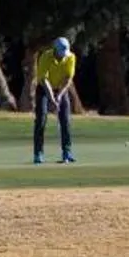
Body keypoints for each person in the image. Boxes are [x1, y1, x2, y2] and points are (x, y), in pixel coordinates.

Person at [33, 36, 78, 165]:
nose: (63, 56)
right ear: (55, 50)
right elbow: (43, 79)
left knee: (65, 119)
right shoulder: (45, 57)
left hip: (61, 89)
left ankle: (67, 152)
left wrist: (59, 96)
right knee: (41, 119)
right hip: (44, 89)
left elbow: (68, 79)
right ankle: (38, 153)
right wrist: (52, 98)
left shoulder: (70, 57)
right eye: (60, 54)